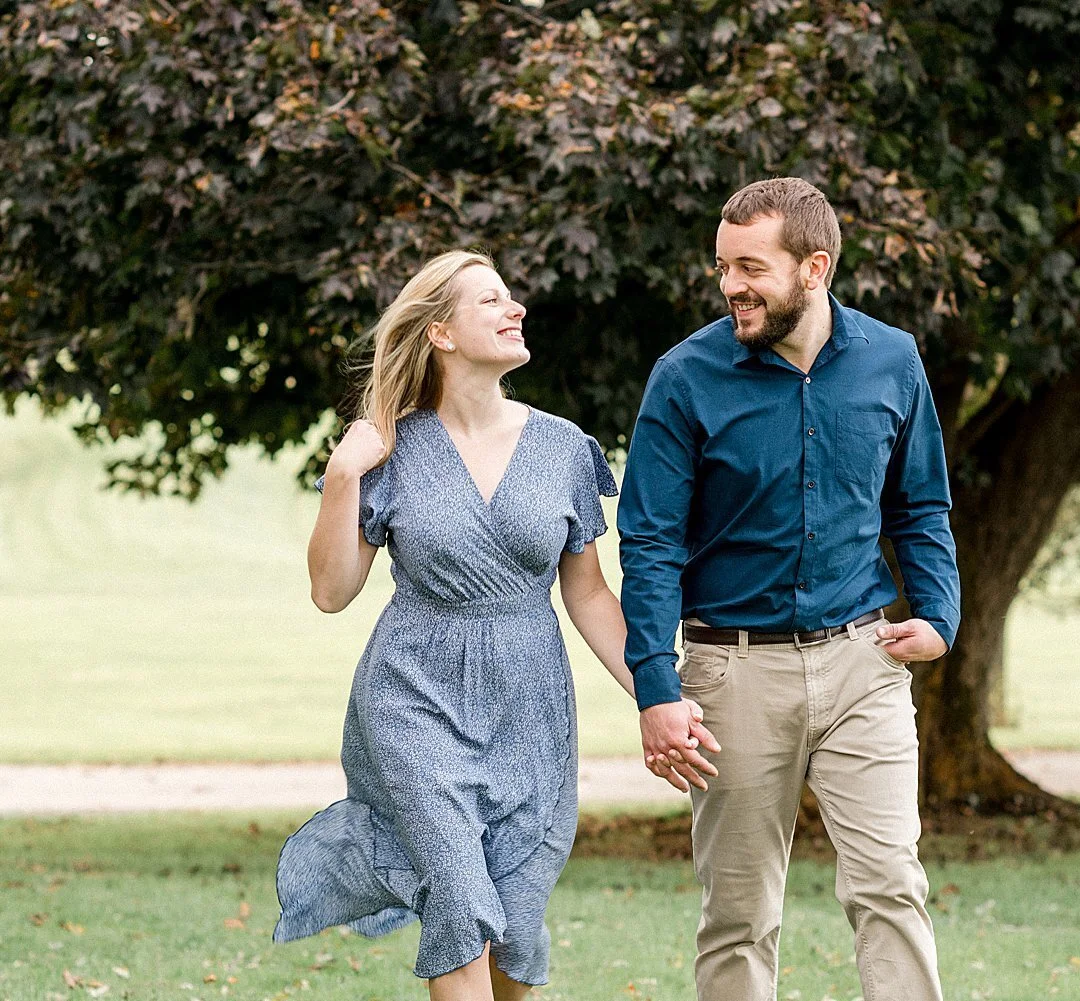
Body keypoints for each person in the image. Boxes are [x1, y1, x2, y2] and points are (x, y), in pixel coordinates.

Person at [272, 249, 717, 1000]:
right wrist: (344, 475)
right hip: (412, 697)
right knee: (458, 895)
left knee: (514, 923)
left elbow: (588, 594)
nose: (515, 310)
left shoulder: (564, 448)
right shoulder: (388, 446)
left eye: (512, 298)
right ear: (441, 333)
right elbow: (330, 590)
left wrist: (654, 688)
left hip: (530, 703)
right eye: (491, 301)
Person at [618, 177, 961, 1000]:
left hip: (861, 662)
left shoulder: (892, 358)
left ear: (815, 267)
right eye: (722, 267)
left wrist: (940, 611)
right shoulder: (685, 376)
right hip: (729, 674)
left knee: (890, 886)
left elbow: (920, 503)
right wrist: (656, 685)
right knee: (738, 914)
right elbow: (651, 540)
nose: (731, 285)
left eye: (749, 267)